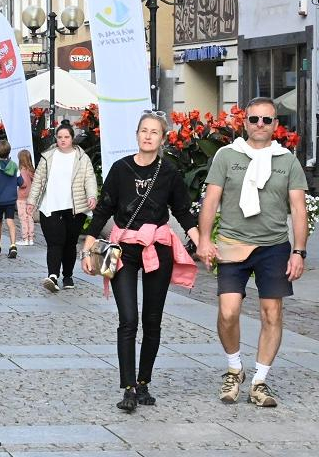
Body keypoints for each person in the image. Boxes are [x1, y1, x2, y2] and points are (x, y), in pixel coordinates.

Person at [81, 111, 199, 413]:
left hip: (158, 249)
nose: (148, 136)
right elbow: (104, 209)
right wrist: (89, 244)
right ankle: (128, 387)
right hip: (124, 250)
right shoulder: (121, 169)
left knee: (153, 319)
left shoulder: (169, 172)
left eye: (154, 132)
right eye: (143, 131)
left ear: (162, 138)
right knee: (128, 319)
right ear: (136, 135)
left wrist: (202, 241)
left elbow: (184, 212)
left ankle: (144, 381)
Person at [196, 97, 308, 408]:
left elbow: (299, 210)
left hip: (273, 247)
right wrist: (205, 240)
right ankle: (234, 369)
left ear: (275, 125)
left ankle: (260, 380)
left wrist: (299, 251)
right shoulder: (226, 156)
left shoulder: (287, 160)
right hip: (232, 243)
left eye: (267, 120)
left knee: (272, 313)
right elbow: (210, 200)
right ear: (244, 122)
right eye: (254, 119)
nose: (260, 124)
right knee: (228, 312)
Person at [27, 122, 98, 291]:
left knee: (70, 243)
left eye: (66, 137)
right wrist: (31, 201)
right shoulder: (48, 157)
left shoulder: (82, 157)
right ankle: (52, 275)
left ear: (72, 139)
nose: (63, 140)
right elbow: (38, 180)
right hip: (51, 205)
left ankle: (68, 276)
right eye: (60, 137)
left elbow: (89, 178)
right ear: (56, 139)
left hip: (75, 207)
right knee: (54, 242)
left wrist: (92, 195)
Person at [0, 140, 23, 259]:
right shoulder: (14, 165)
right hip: (11, 198)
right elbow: (20, 181)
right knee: (10, 221)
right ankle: (13, 245)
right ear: (9, 152)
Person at [16, 150, 36, 246]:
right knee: (30, 218)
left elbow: (23, 184)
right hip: (30, 197)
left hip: (22, 197)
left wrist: (17, 180)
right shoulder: (31, 170)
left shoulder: (23, 171)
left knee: (23, 218)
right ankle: (31, 238)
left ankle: (25, 238)